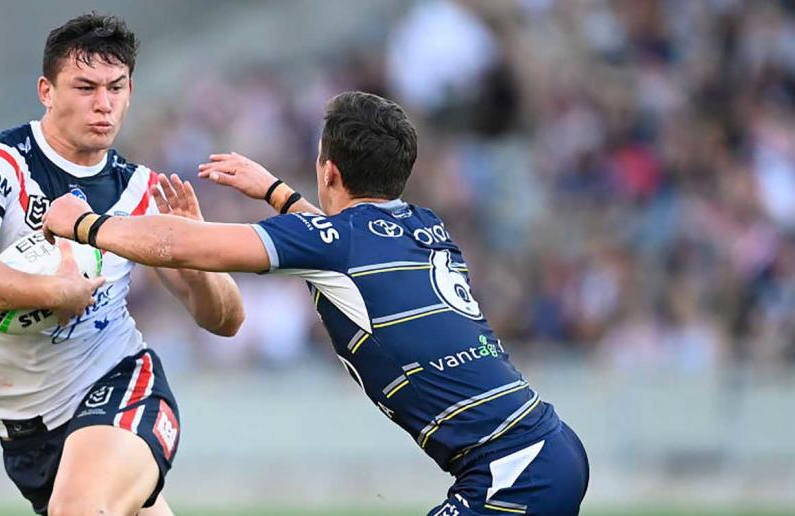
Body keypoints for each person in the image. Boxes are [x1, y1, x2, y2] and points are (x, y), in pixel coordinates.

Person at [42, 91, 590, 515]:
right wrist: (275, 192)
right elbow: (338, 247)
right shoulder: (423, 226)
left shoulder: (340, 243)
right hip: (550, 445)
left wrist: (86, 224)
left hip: (511, 468)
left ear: (329, 170)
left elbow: (192, 246)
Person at [0, 13, 244, 516]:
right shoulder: (1, 165)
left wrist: (195, 254)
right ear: (46, 91)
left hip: (122, 383)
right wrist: (53, 293)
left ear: (130, 90)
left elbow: (225, 320)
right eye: (85, 87)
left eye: (115, 87)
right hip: (29, 430)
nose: (103, 104)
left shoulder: (140, 191)